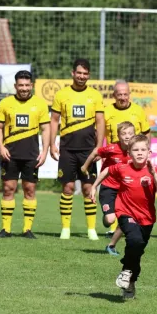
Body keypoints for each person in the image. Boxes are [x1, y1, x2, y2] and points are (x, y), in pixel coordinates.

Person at [90, 134, 157, 299]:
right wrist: (94, 187)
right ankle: (125, 271)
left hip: (147, 218)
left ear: (149, 152)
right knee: (135, 241)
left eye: (143, 150)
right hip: (125, 213)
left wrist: (153, 173)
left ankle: (130, 282)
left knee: (137, 252)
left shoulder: (155, 170)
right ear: (130, 153)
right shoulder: (122, 168)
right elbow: (106, 171)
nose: (139, 153)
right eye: (135, 150)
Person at [50, 58, 105, 240]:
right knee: (68, 188)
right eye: (79, 73)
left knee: (89, 189)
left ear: (88, 75)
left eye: (85, 73)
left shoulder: (95, 95)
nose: (82, 76)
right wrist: (51, 143)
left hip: (88, 150)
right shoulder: (61, 95)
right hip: (67, 149)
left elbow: (100, 122)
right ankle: (65, 228)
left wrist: (99, 147)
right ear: (73, 73)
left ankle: (91, 229)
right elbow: (54, 121)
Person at [0, 70, 50, 239]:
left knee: (30, 189)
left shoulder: (40, 104)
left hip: (31, 154)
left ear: (31, 85)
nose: (24, 88)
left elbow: (46, 128)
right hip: (9, 154)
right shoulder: (5, 103)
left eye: (27, 85)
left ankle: (27, 229)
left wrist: (45, 150)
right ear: (15, 86)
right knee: (9, 189)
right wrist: (1, 146)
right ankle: (6, 229)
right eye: (21, 85)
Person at [81, 122, 135, 256]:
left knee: (125, 219)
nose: (127, 136)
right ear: (118, 135)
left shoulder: (136, 150)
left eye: (130, 133)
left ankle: (111, 246)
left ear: (134, 135)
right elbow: (95, 152)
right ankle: (107, 219)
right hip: (109, 187)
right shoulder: (111, 148)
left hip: (126, 189)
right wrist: (85, 167)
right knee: (110, 220)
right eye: (124, 134)